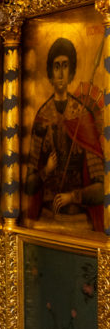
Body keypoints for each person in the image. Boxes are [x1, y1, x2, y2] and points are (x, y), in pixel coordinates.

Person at [24, 37, 104, 231]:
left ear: (71, 73)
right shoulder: (42, 117)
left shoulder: (83, 116)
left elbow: (102, 188)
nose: (60, 73)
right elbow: (29, 186)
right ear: (50, 74)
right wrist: (46, 171)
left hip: (79, 221)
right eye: (56, 67)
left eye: (65, 66)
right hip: (46, 218)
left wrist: (73, 196)